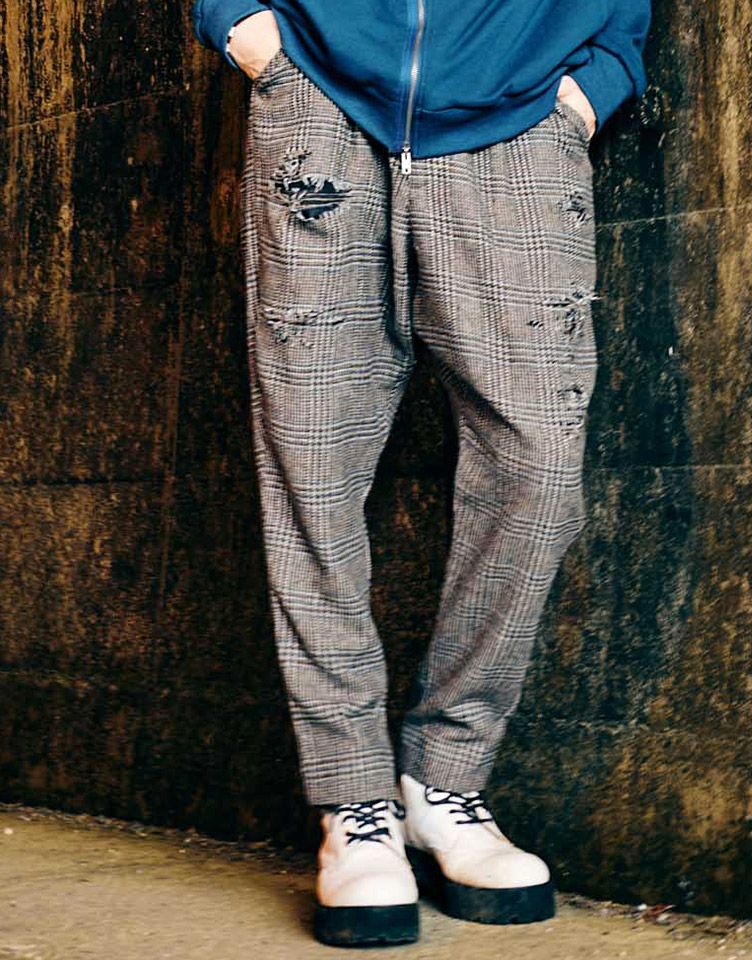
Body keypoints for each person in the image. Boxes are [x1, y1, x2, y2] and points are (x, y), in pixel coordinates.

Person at [191, 0, 651, 947]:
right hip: (319, 102)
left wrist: (599, 76)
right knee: (312, 466)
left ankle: (447, 781)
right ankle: (353, 802)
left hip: (523, 118)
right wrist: (239, 22)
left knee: (539, 465)